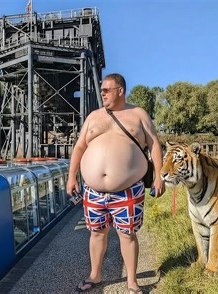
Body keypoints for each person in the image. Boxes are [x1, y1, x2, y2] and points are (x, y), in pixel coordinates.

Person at [67, 73, 165, 293]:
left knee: (127, 235)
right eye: (102, 90)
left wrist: (158, 176)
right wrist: (71, 176)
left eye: (106, 90)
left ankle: (132, 282)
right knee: (96, 233)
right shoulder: (93, 117)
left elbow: (154, 145)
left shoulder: (138, 114)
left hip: (128, 190)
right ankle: (95, 275)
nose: (102, 93)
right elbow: (80, 147)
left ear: (120, 91)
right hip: (93, 191)